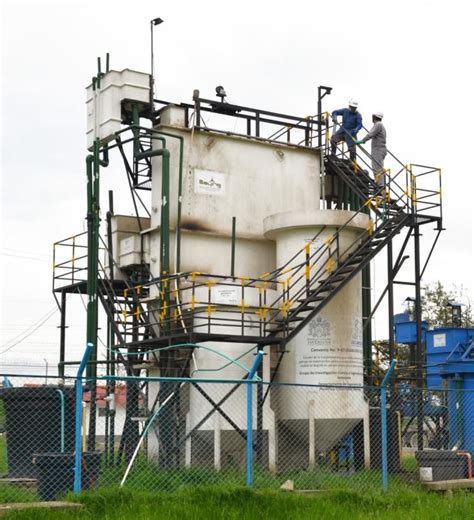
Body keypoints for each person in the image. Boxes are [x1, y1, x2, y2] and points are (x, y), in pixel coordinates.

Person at [355, 112, 387, 192]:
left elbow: (371, 134)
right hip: (380, 149)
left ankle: (380, 186)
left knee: (377, 167)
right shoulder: (380, 125)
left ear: (374, 117)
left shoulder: (378, 125)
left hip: (378, 149)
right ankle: (380, 184)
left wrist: (363, 140)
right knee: (378, 166)